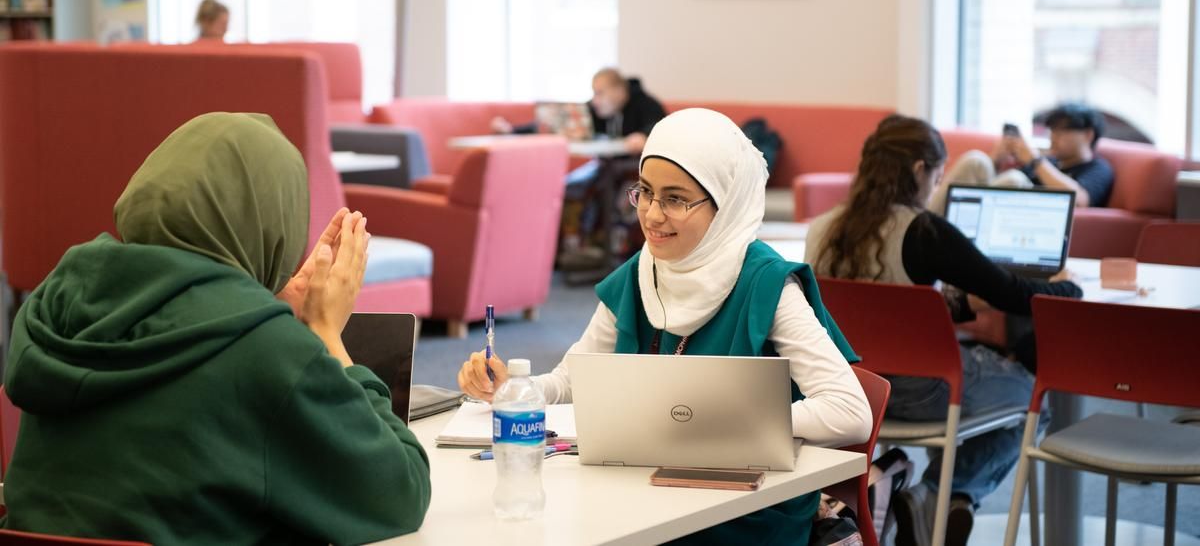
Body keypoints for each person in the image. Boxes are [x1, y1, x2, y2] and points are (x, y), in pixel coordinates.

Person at [1, 113, 431, 545]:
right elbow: (399, 491)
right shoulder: (265, 353)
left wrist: (262, 308)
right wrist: (323, 332)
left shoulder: (61, 305)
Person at [459, 108, 872, 544]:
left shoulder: (766, 282)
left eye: (675, 199)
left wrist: (732, 421)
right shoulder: (645, 270)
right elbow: (573, 376)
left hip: (745, 512)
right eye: (645, 193)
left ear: (724, 204)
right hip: (643, 493)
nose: (653, 216)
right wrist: (514, 388)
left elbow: (850, 412)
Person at [804, 114, 1083, 546]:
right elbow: (1011, 293)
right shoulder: (924, 231)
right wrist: (1068, 286)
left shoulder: (822, 229)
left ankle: (922, 494)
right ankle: (941, 493)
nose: (936, 185)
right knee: (1034, 397)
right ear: (919, 169)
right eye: (937, 175)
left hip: (852, 390)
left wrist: (960, 304)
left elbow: (886, 309)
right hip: (923, 392)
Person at [932, 102, 1114, 214]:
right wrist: (996, 159)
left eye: (1062, 131)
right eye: (1052, 130)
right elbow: (992, 185)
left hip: (1029, 222)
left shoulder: (1098, 168)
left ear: (1088, 135)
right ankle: (923, 223)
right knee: (976, 160)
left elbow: (1080, 200)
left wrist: (1035, 160)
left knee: (1015, 180)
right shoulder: (1048, 162)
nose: (1053, 137)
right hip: (999, 212)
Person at [492, 67, 666, 155]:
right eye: (593, 93)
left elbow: (660, 127)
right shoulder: (594, 110)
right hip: (604, 171)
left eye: (600, 93)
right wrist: (512, 130)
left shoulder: (646, 104)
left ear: (619, 91)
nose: (595, 100)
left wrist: (643, 135)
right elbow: (555, 124)